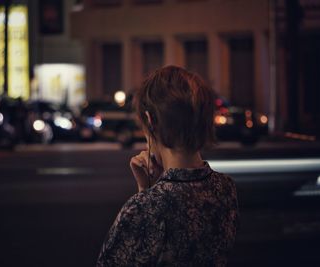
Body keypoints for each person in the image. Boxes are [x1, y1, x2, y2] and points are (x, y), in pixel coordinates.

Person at [97, 66, 239, 266]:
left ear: (150, 120)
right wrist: (149, 191)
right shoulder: (226, 189)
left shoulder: (144, 207)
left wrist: (144, 196)